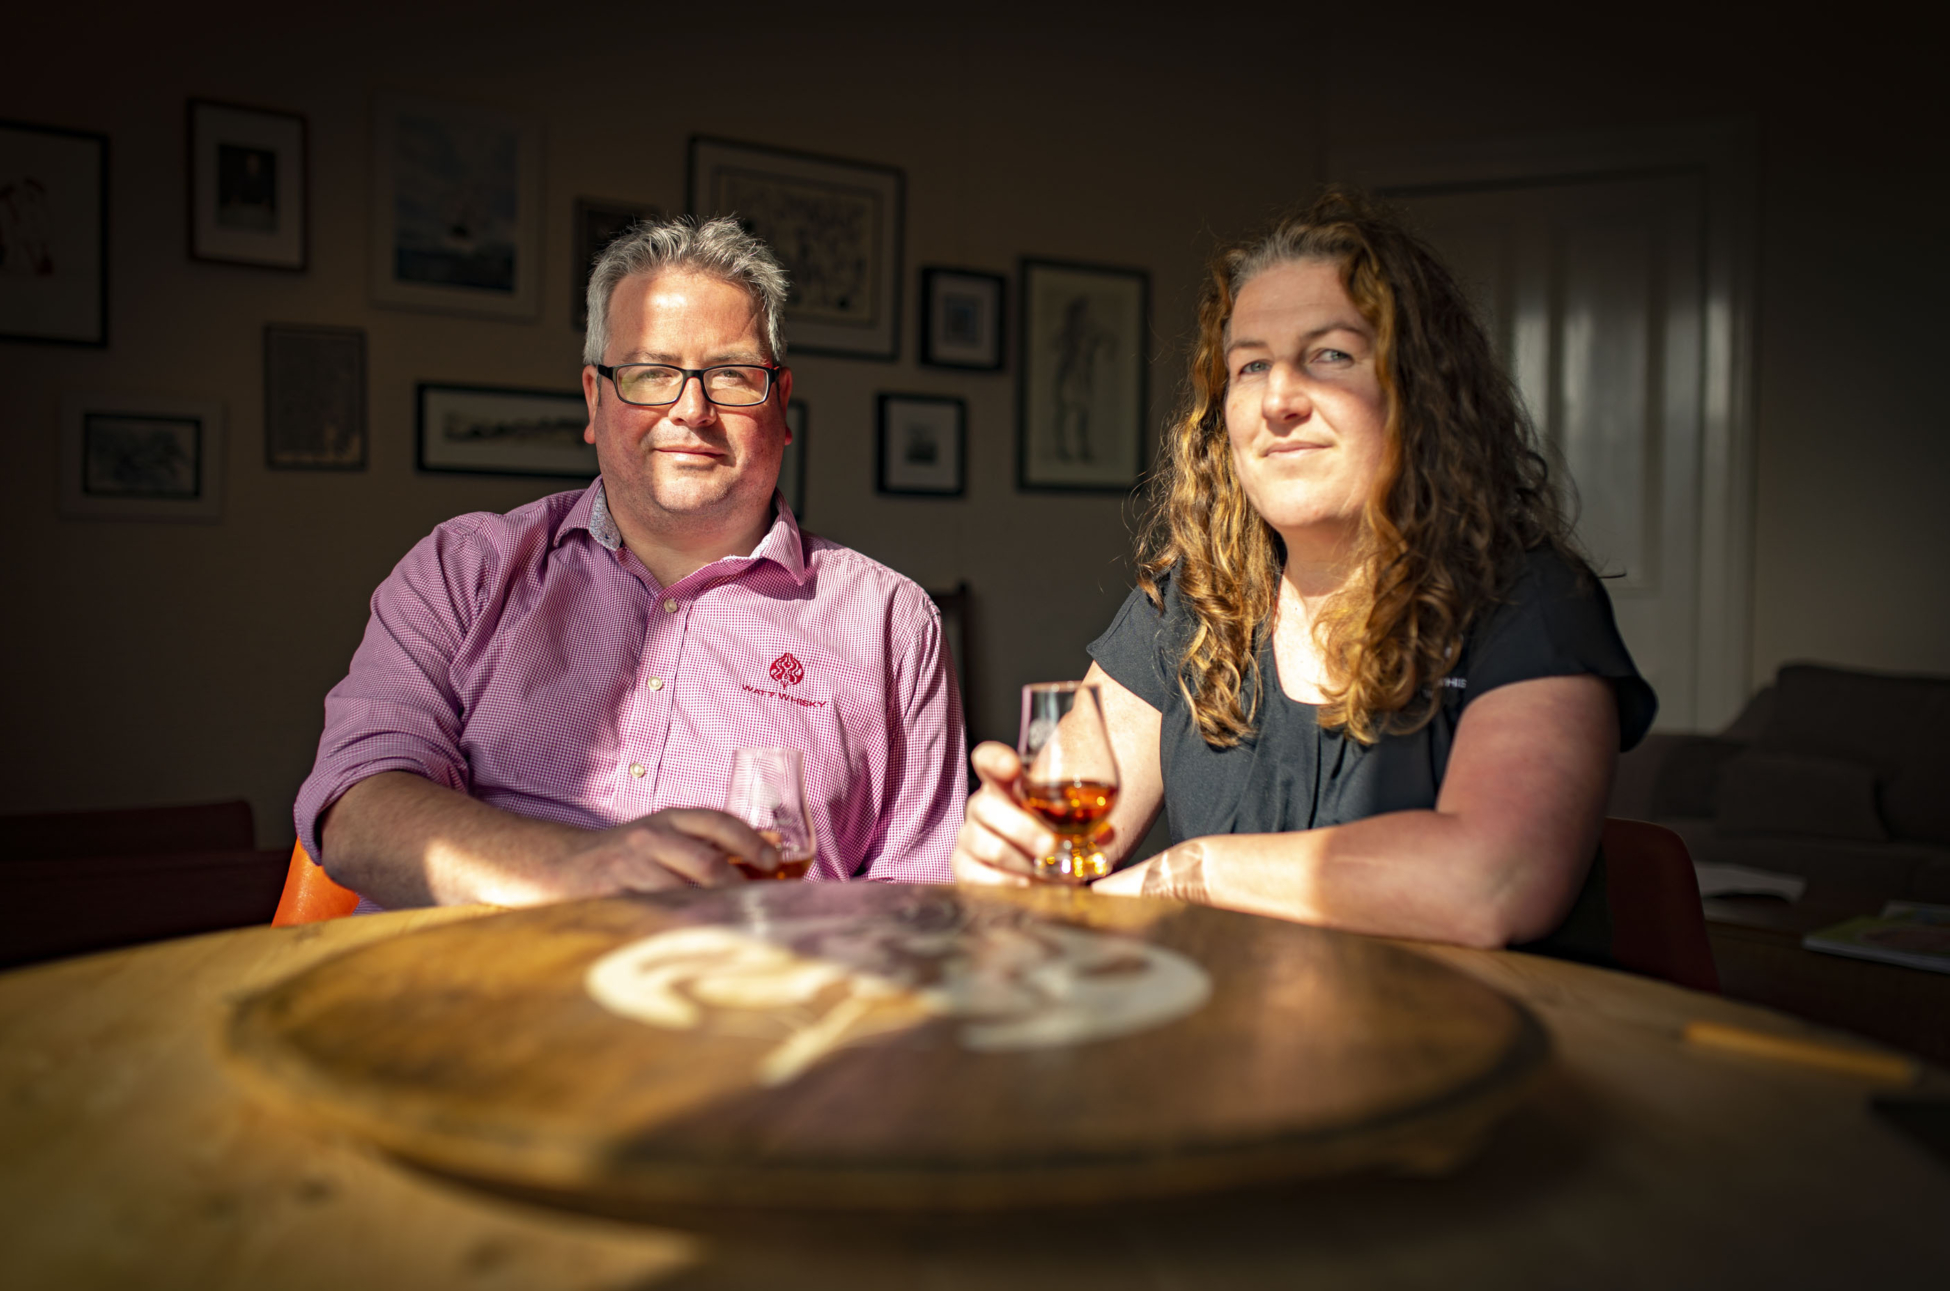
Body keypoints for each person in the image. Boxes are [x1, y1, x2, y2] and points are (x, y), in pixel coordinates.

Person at [954, 190, 1655, 959]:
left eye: (1330, 355)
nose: (1279, 399)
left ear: (1421, 391)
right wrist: (1000, 854)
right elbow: (1049, 849)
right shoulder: (1188, 605)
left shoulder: (1529, 603)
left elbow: (1491, 882)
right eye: (1251, 365)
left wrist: (1191, 874)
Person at [298, 216, 966, 909]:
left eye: (731, 375)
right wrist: (571, 867)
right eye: (652, 374)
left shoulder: (891, 622)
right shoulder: (463, 571)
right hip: (484, 974)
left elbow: (919, 901)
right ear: (595, 398)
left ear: (781, 402)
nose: (692, 410)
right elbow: (356, 811)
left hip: (762, 976)